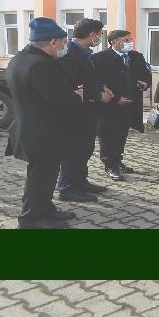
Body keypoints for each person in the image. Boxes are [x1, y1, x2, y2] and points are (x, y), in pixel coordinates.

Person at [5, 18, 84, 229]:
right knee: (40, 176)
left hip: (36, 128)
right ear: (52, 42)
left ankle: (45, 208)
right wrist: (77, 96)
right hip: (42, 132)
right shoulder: (39, 64)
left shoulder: (22, 57)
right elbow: (56, 97)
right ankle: (31, 219)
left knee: (46, 175)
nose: (64, 46)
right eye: (63, 42)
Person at [56, 19, 114, 202]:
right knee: (73, 151)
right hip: (75, 111)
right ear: (92, 35)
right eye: (100, 34)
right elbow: (70, 85)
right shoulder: (67, 55)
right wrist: (97, 95)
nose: (100, 37)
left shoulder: (85, 52)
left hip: (88, 112)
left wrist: (102, 87)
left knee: (85, 149)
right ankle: (67, 188)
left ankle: (80, 182)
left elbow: (90, 78)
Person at [93, 30, 151, 181]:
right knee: (108, 136)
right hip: (110, 106)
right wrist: (115, 99)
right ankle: (110, 165)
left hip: (130, 104)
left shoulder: (136, 57)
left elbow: (146, 75)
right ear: (114, 42)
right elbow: (96, 82)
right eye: (126, 40)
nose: (130, 42)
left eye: (130, 39)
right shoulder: (100, 58)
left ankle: (118, 161)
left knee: (121, 135)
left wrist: (145, 83)